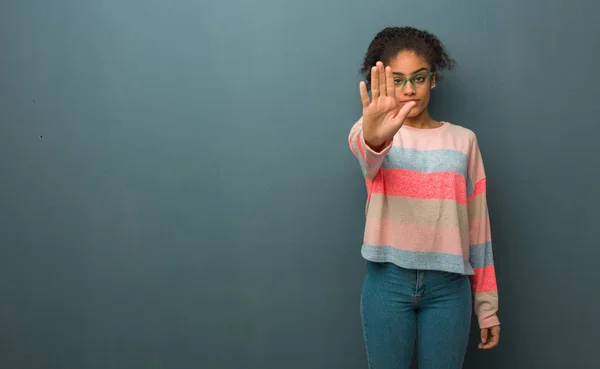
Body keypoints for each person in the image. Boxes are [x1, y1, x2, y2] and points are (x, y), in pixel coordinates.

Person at [348, 26, 501, 369]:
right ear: (382, 82)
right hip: (387, 283)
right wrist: (375, 133)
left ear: (433, 80)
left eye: (418, 78)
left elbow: (478, 227)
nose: (408, 90)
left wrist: (487, 306)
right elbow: (366, 150)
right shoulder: (371, 131)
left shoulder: (464, 141)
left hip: (449, 287)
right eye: (397, 80)